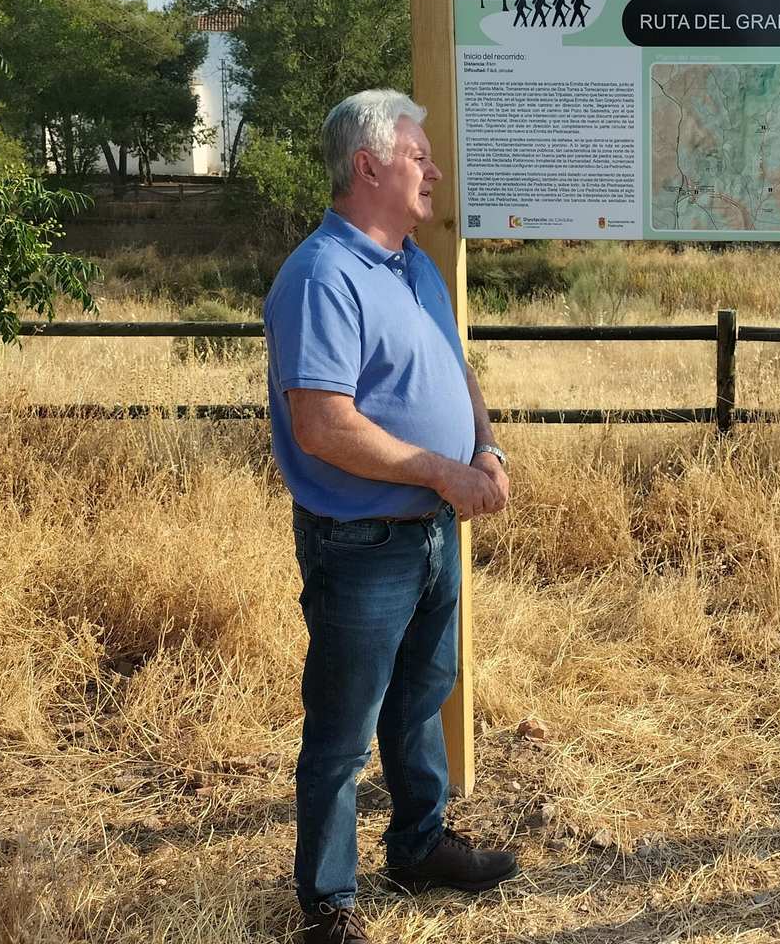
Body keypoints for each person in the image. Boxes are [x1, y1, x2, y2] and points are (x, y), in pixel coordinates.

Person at [263, 89, 516, 943]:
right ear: (368, 167)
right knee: (343, 731)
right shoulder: (321, 276)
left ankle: (418, 846)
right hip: (361, 542)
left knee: (420, 699)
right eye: (419, 156)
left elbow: (456, 369)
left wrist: (486, 450)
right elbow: (322, 425)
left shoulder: (414, 265)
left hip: (430, 530)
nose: (434, 170)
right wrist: (445, 471)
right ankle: (328, 905)